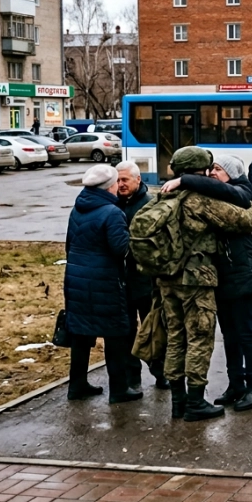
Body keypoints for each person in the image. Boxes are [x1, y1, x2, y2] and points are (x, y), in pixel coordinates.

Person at [156, 147, 252, 421]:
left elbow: (243, 207)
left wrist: (187, 180)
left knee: (241, 332)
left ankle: (251, 387)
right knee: (214, 337)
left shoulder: (166, 195)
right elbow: (246, 217)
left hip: (231, 275)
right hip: (206, 280)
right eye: (211, 169)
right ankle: (221, 390)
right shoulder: (203, 199)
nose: (213, 173)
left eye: (219, 169)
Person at [64, 164, 141, 404]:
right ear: (109, 186)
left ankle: (77, 386)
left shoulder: (77, 208)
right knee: (115, 334)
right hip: (105, 282)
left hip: (76, 279)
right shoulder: (111, 212)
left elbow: (69, 245)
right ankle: (118, 389)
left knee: (80, 335)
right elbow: (121, 249)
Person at [115, 161, 168, 391]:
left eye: (125, 180)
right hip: (122, 281)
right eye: (117, 180)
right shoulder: (113, 203)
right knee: (126, 331)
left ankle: (161, 372)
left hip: (146, 281)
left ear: (138, 180)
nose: (120, 185)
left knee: (154, 329)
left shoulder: (149, 206)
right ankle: (131, 377)